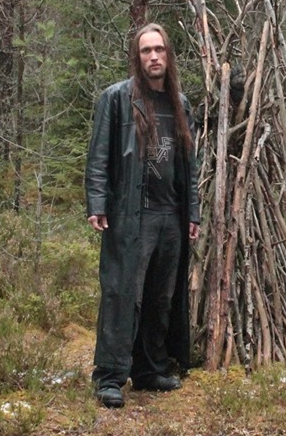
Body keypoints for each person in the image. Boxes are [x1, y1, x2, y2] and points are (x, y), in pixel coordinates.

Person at [85, 23, 201, 409]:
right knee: (122, 295)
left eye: (159, 50)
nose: (154, 56)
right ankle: (109, 377)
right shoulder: (117, 99)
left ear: (168, 55)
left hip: (171, 214)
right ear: (137, 58)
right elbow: (99, 155)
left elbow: (189, 166)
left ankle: (149, 369)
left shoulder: (179, 104)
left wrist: (192, 212)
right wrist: (97, 202)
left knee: (160, 297)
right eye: (146, 50)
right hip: (132, 215)